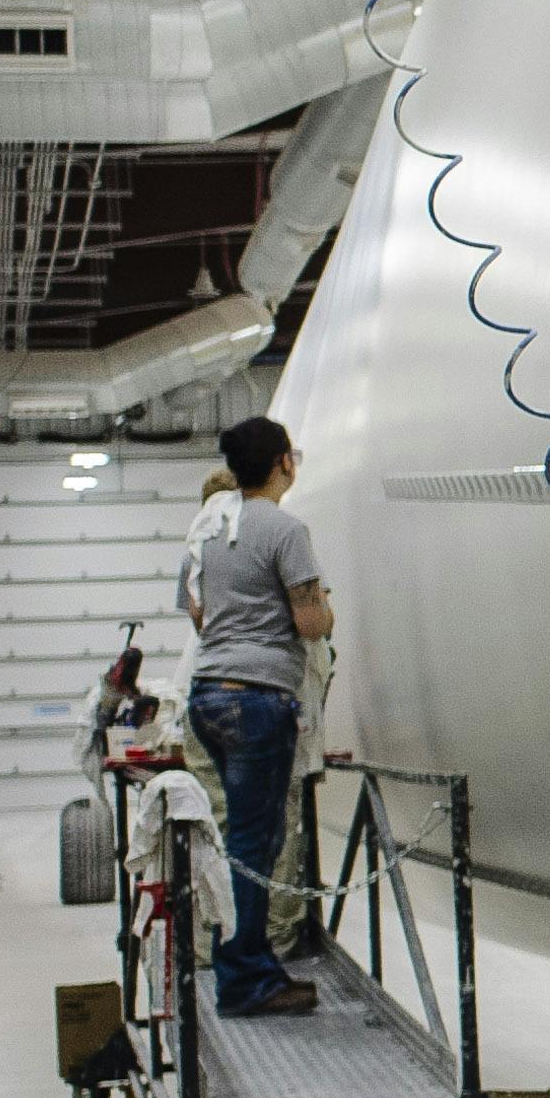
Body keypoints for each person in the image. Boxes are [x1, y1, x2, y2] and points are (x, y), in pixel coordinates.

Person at [181, 414, 334, 1017]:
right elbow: (309, 621)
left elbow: (197, 612)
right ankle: (246, 979)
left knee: (242, 835)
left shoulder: (211, 531)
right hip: (258, 699)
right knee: (255, 840)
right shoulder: (286, 529)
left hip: (208, 695)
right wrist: (324, 607)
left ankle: (252, 965)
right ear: (283, 465)